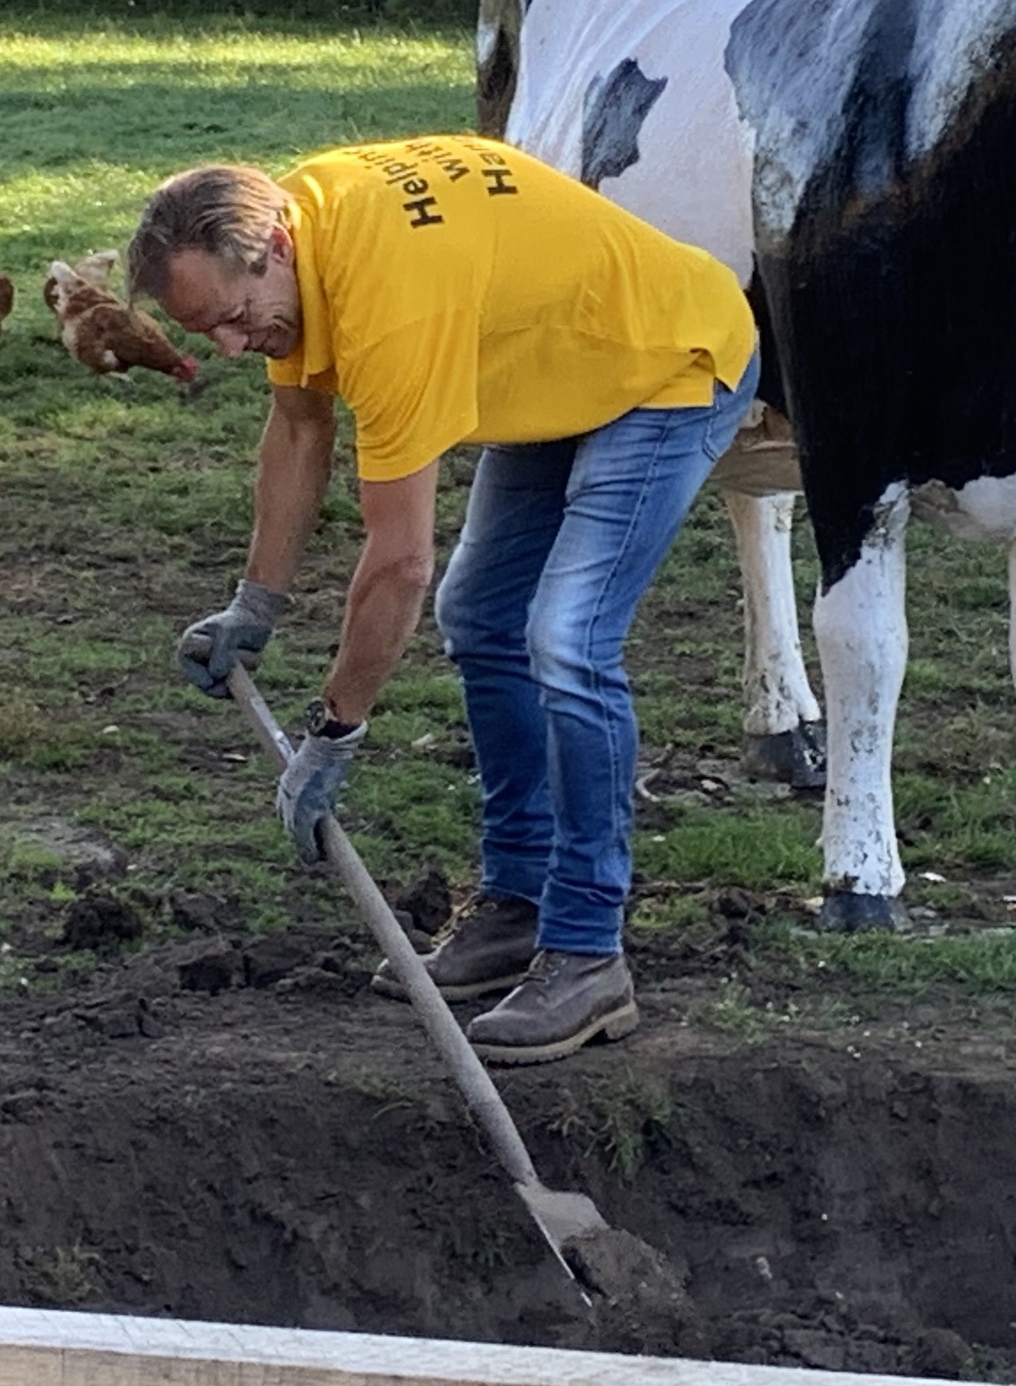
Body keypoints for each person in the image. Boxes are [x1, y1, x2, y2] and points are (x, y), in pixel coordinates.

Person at [130, 134, 756, 1065]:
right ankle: (516, 905)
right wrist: (254, 606)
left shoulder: (387, 300)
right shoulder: (295, 232)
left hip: (664, 362)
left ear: (278, 248)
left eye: (233, 317)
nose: (229, 346)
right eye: (204, 332)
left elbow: (399, 563)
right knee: (484, 618)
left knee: (568, 641)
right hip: (552, 368)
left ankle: (588, 954)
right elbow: (297, 428)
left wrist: (333, 733)